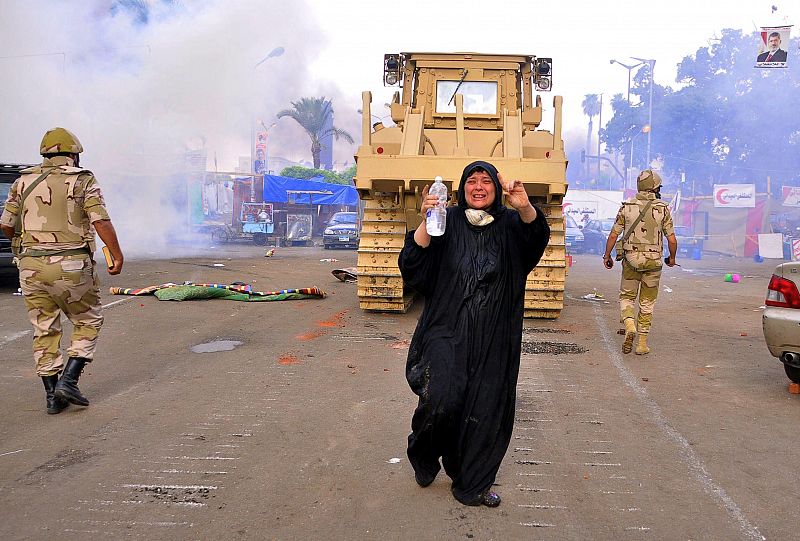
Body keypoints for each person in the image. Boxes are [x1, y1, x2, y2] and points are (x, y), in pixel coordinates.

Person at [398, 161, 550, 507]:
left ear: (497, 191)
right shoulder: (445, 223)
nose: (478, 187)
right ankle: (423, 452)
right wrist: (426, 220)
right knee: (441, 401)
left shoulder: (511, 225)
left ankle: (472, 483)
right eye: (472, 181)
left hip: (494, 336)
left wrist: (524, 205)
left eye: (486, 181)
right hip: (446, 330)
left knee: (486, 408)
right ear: (461, 187)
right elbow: (412, 266)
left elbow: (536, 239)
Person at [0, 127, 124, 414]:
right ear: (73, 154)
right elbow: (100, 221)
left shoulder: (22, 181)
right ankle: (69, 379)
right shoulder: (82, 180)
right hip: (71, 266)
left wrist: (26, 244)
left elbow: (6, 224)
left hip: (30, 268)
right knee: (88, 319)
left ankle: (52, 398)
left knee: (44, 328)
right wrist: (115, 254)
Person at [602, 169, 677, 355]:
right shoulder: (663, 209)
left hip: (631, 261)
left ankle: (629, 326)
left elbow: (613, 235)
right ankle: (642, 343)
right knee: (647, 302)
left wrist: (607, 256)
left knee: (627, 297)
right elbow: (672, 240)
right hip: (654, 262)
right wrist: (672, 258)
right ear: (654, 188)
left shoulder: (627, 207)